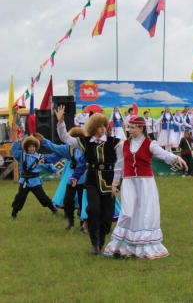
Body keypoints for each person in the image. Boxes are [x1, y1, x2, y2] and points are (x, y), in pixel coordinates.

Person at [104, 116, 187, 259]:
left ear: (141, 128)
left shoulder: (150, 143)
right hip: (129, 182)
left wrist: (175, 158)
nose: (129, 130)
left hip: (146, 183)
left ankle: (142, 247)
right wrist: (115, 184)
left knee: (145, 213)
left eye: (132, 127)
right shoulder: (123, 145)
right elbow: (119, 166)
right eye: (129, 127)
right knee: (127, 212)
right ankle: (120, 246)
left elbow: (163, 154)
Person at [56, 105, 122, 255]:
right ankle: (94, 244)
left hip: (109, 183)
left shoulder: (115, 142)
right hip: (91, 181)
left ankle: (101, 240)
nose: (102, 129)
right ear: (93, 128)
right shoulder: (85, 142)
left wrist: (117, 184)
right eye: (99, 126)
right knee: (93, 210)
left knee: (107, 216)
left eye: (104, 126)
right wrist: (61, 122)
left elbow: (121, 164)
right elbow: (65, 138)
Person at [35, 129, 87, 231]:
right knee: (68, 200)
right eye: (73, 138)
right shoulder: (68, 148)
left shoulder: (86, 148)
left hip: (83, 179)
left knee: (82, 202)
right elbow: (56, 152)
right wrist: (45, 158)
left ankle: (82, 223)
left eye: (78, 138)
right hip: (71, 179)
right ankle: (71, 221)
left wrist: (45, 141)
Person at [10, 135, 59, 219]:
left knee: (43, 197)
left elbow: (48, 165)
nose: (31, 148)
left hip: (35, 181)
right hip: (24, 181)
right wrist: (18, 142)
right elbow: (13, 150)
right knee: (20, 197)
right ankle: (13, 214)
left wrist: (56, 171)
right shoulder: (21, 155)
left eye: (33, 146)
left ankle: (54, 209)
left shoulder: (39, 157)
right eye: (29, 147)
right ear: (26, 147)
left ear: (36, 147)